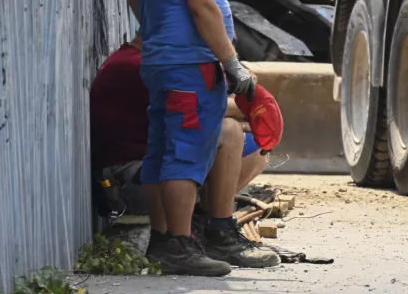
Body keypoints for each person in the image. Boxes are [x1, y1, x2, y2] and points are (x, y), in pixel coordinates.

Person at [123, 0, 265, 276]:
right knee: (186, 151)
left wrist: (155, 31)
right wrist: (231, 63)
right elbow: (203, 4)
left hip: (160, 60)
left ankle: (162, 242)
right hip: (191, 63)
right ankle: (180, 246)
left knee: (161, 150)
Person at [90, 33, 279, 270]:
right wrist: (244, 101)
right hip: (126, 187)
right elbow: (208, 107)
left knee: (252, 145)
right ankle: (212, 233)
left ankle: (202, 227)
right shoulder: (138, 66)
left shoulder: (149, 59)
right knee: (229, 132)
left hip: (143, 173)